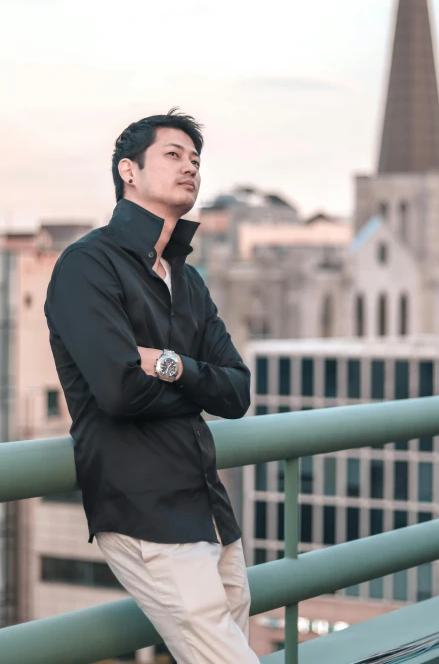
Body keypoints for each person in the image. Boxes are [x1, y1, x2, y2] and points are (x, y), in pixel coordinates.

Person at [44, 108, 260, 664]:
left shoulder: (187, 279)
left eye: (195, 159)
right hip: (144, 510)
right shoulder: (86, 265)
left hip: (210, 506)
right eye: (173, 154)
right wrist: (196, 381)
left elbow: (237, 393)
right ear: (128, 172)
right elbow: (118, 391)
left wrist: (168, 363)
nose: (190, 167)